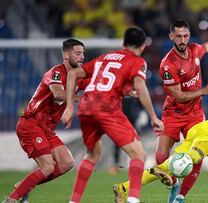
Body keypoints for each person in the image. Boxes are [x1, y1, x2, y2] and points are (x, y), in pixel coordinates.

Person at [61, 26, 164, 203]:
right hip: (107, 108)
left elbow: (73, 74)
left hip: (86, 108)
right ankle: (133, 200)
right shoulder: (137, 61)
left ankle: (74, 201)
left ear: (123, 43)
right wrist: (153, 116)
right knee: (139, 155)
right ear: (142, 47)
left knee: (93, 154)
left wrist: (69, 107)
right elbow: (140, 86)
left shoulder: (105, 57)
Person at [157, 20, 208, 202]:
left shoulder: (194, 50)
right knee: (161, 158)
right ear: (171, 37)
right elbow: (179, 96)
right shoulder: (168, 65)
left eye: (185, 36)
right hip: (174, 113)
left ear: (189, 36)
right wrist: (204, 91)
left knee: (198, 156)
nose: (182, 40)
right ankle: (175, 183)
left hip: (194, 114)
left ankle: (180, 197)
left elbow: (206, 47)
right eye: (178, 36)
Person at [2, 39, 87, 203]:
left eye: (83, 53)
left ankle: (24, 186)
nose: (82, 57)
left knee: (66, 163)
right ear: (66, 54)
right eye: (78, 53)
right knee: (47, 167)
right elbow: (57, 93)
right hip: (31, 123)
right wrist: (80, 99)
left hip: (46, 128)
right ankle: (11, 200)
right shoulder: (55, 73)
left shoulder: (78, 77)